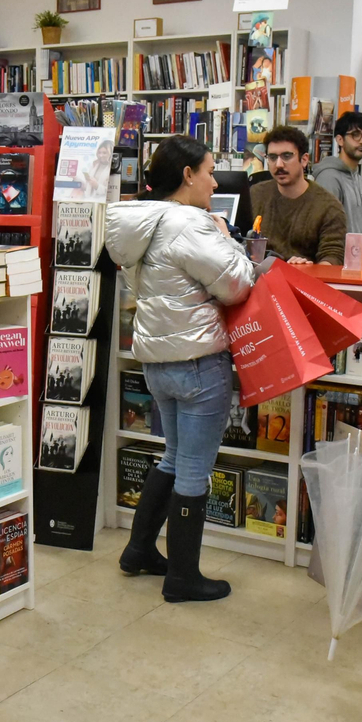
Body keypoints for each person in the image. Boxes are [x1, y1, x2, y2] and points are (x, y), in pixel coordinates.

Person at [108, 135, 255, 602]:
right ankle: (183, 576)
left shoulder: (143, 223)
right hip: (198, 363)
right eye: (210, 171)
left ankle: (139, 551)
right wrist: (229, 240)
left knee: (172, 458)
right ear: (188, 175)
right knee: (193, 470)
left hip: (158, 363)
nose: (215, 181)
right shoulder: (190, 224)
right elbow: (235, 284)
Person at [249, 126, 348, 266]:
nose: (278, 164)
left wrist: (309, 269)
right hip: (258, 280)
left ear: (304, 159)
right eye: (272, 157)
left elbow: (333, 257)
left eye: (287, 156)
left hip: (305, 282)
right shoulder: (256, 194)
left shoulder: (329, 207)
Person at [312, 111, 362, 236]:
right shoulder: (328, 178)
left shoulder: (360, 181)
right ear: (340, 140)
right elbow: (323, 228)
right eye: (355, 135)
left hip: (357, 254)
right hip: (335, 254)